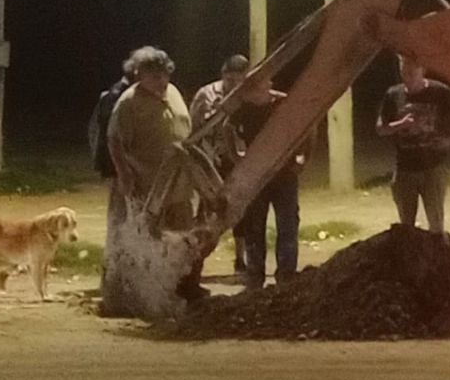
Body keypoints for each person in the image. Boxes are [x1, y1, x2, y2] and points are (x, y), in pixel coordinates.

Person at [104, 46, 204, 304]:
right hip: (148, 186)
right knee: (151, 240)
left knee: (184, 238)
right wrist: (125, 175)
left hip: (179, 184)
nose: (162, 80)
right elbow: (114, 141)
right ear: (139, 75)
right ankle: (148, 294)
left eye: (165, 74)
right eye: (155, 76)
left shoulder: (174, 93)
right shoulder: (128, 103)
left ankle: (186, 288)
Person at [376, 55, 450, 235]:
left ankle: (437, 250)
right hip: (404, 169)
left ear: (423, 70)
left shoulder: (438, 91)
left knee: (436, 224)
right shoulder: (393, 94)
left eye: (412, 71)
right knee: (406, 227)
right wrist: (401, 124)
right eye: (404, 70)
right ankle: (411, 252)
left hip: (433, 168)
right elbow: (381, 129)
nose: (408, 75)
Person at [232, 77, 306, 289]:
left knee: (287, 223)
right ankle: (255, 276)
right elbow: (228, 129)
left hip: (284, 174)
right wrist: (235, 156)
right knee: (254, 225)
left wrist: (304, 157)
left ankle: (286, 274)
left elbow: (309, 126)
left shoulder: (284, 104)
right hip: (256, 176)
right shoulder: (243, 109)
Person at [190, 54, 250, 278]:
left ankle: (241, 259)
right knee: (208, 211)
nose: (234, 85)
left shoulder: (248, 94)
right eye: (230, 80)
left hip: (238, 159)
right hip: (211, 159)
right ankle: (195, 262)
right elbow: (193, 127)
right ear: (223, 76)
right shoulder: (206, 94)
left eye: (238, 81)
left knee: (241, 210)